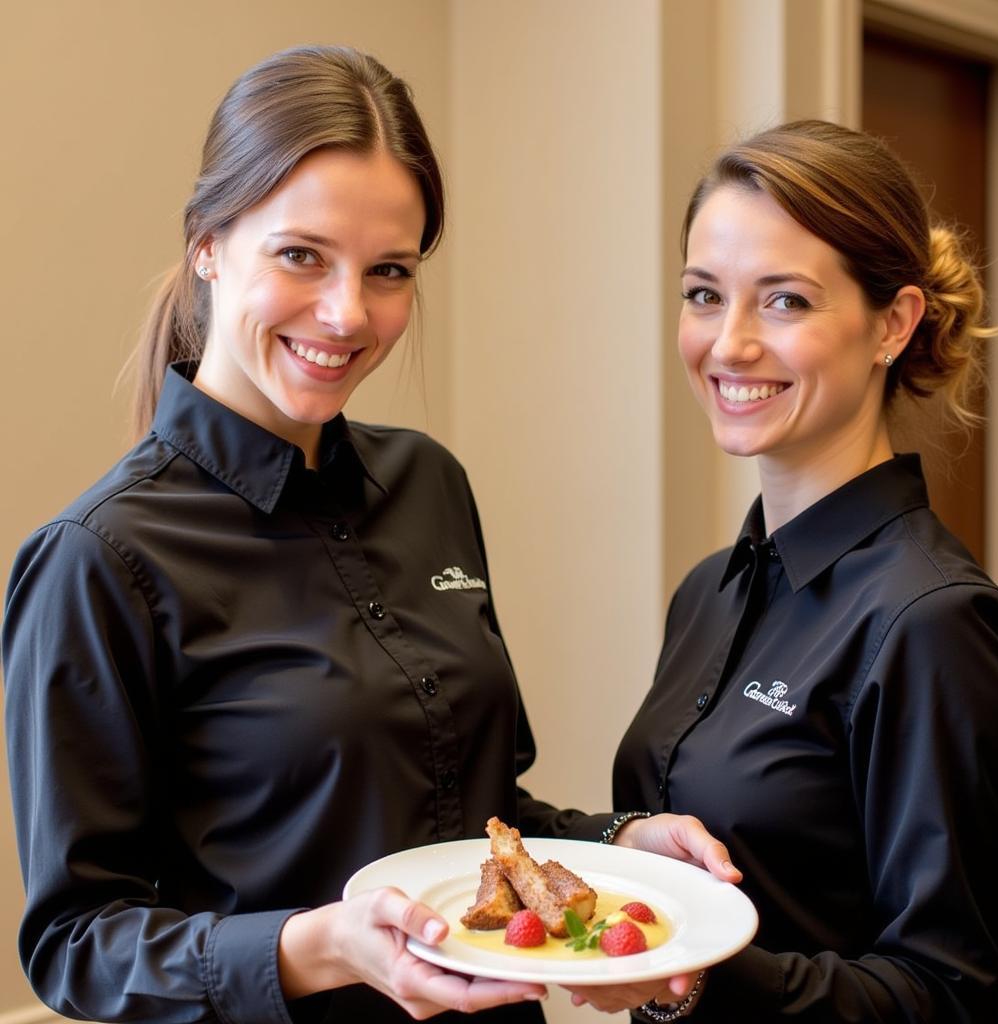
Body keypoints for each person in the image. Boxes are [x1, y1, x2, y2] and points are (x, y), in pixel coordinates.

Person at [1, 45, 738, 1024]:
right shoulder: (98, 558)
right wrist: (319, 947)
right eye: (302, 255)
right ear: (209, 244)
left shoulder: (429, 481)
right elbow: (78, 945)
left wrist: (613, 841)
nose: (348, 313)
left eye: (387, 270)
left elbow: (471, 817)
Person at [604, 120, 998, 1022]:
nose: (730, 344)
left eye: (785, 301)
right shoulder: (710, 590)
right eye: (704, 295)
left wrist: (703, 974)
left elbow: (950, 995)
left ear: (894, 324)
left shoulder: (934, 622)